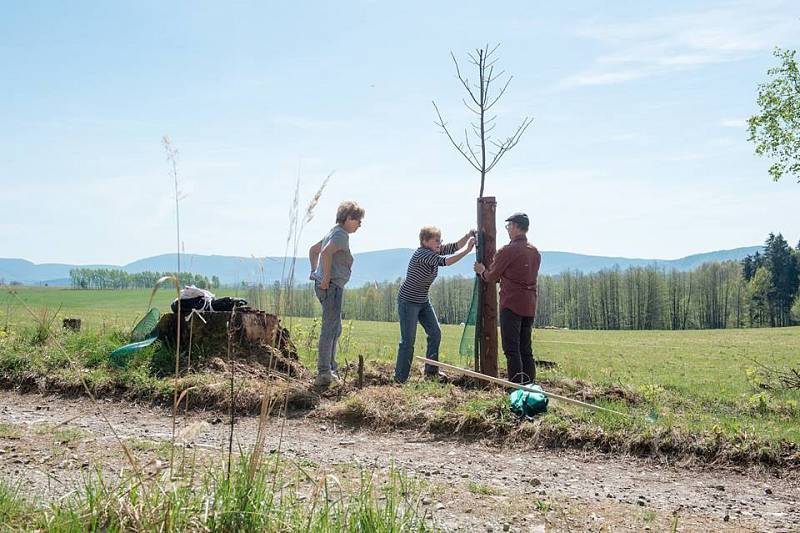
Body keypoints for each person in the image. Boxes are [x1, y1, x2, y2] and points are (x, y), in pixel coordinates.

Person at [394, 226, 475, 383]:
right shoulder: (422, 254)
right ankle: (400, 379)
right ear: (425, 241)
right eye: (436, 240)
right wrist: (467, 251)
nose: (440, 243)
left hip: (423, 301)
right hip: (408, 302)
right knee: (408, 341)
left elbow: (453, 247)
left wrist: (467, 236)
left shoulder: (434, 250)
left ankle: (431, 373)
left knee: (435, 333)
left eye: (440, 240)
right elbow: (445, 262)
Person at [473, 213, 541, 384]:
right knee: (526, 348)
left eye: (509, 226)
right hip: (530, 304)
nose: (508, 230)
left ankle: (516, 387)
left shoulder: (508, 250)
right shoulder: (534, 251)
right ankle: (530, 386)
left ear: (516, 227)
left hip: (511, 304)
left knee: (512, 349)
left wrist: (481, 270)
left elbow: (491, 276)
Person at [309, 201, 365, 388]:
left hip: (329, 285)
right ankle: (324, 372)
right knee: (330, 329)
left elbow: (313, 250)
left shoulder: (333, 232)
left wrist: (314, 273)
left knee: (335, 328)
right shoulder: (341, 235)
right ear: (348, 218)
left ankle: (331, 368)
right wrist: (324, 278)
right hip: (331, 286)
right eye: (358, 220)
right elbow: (324, 253)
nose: (360, 224)